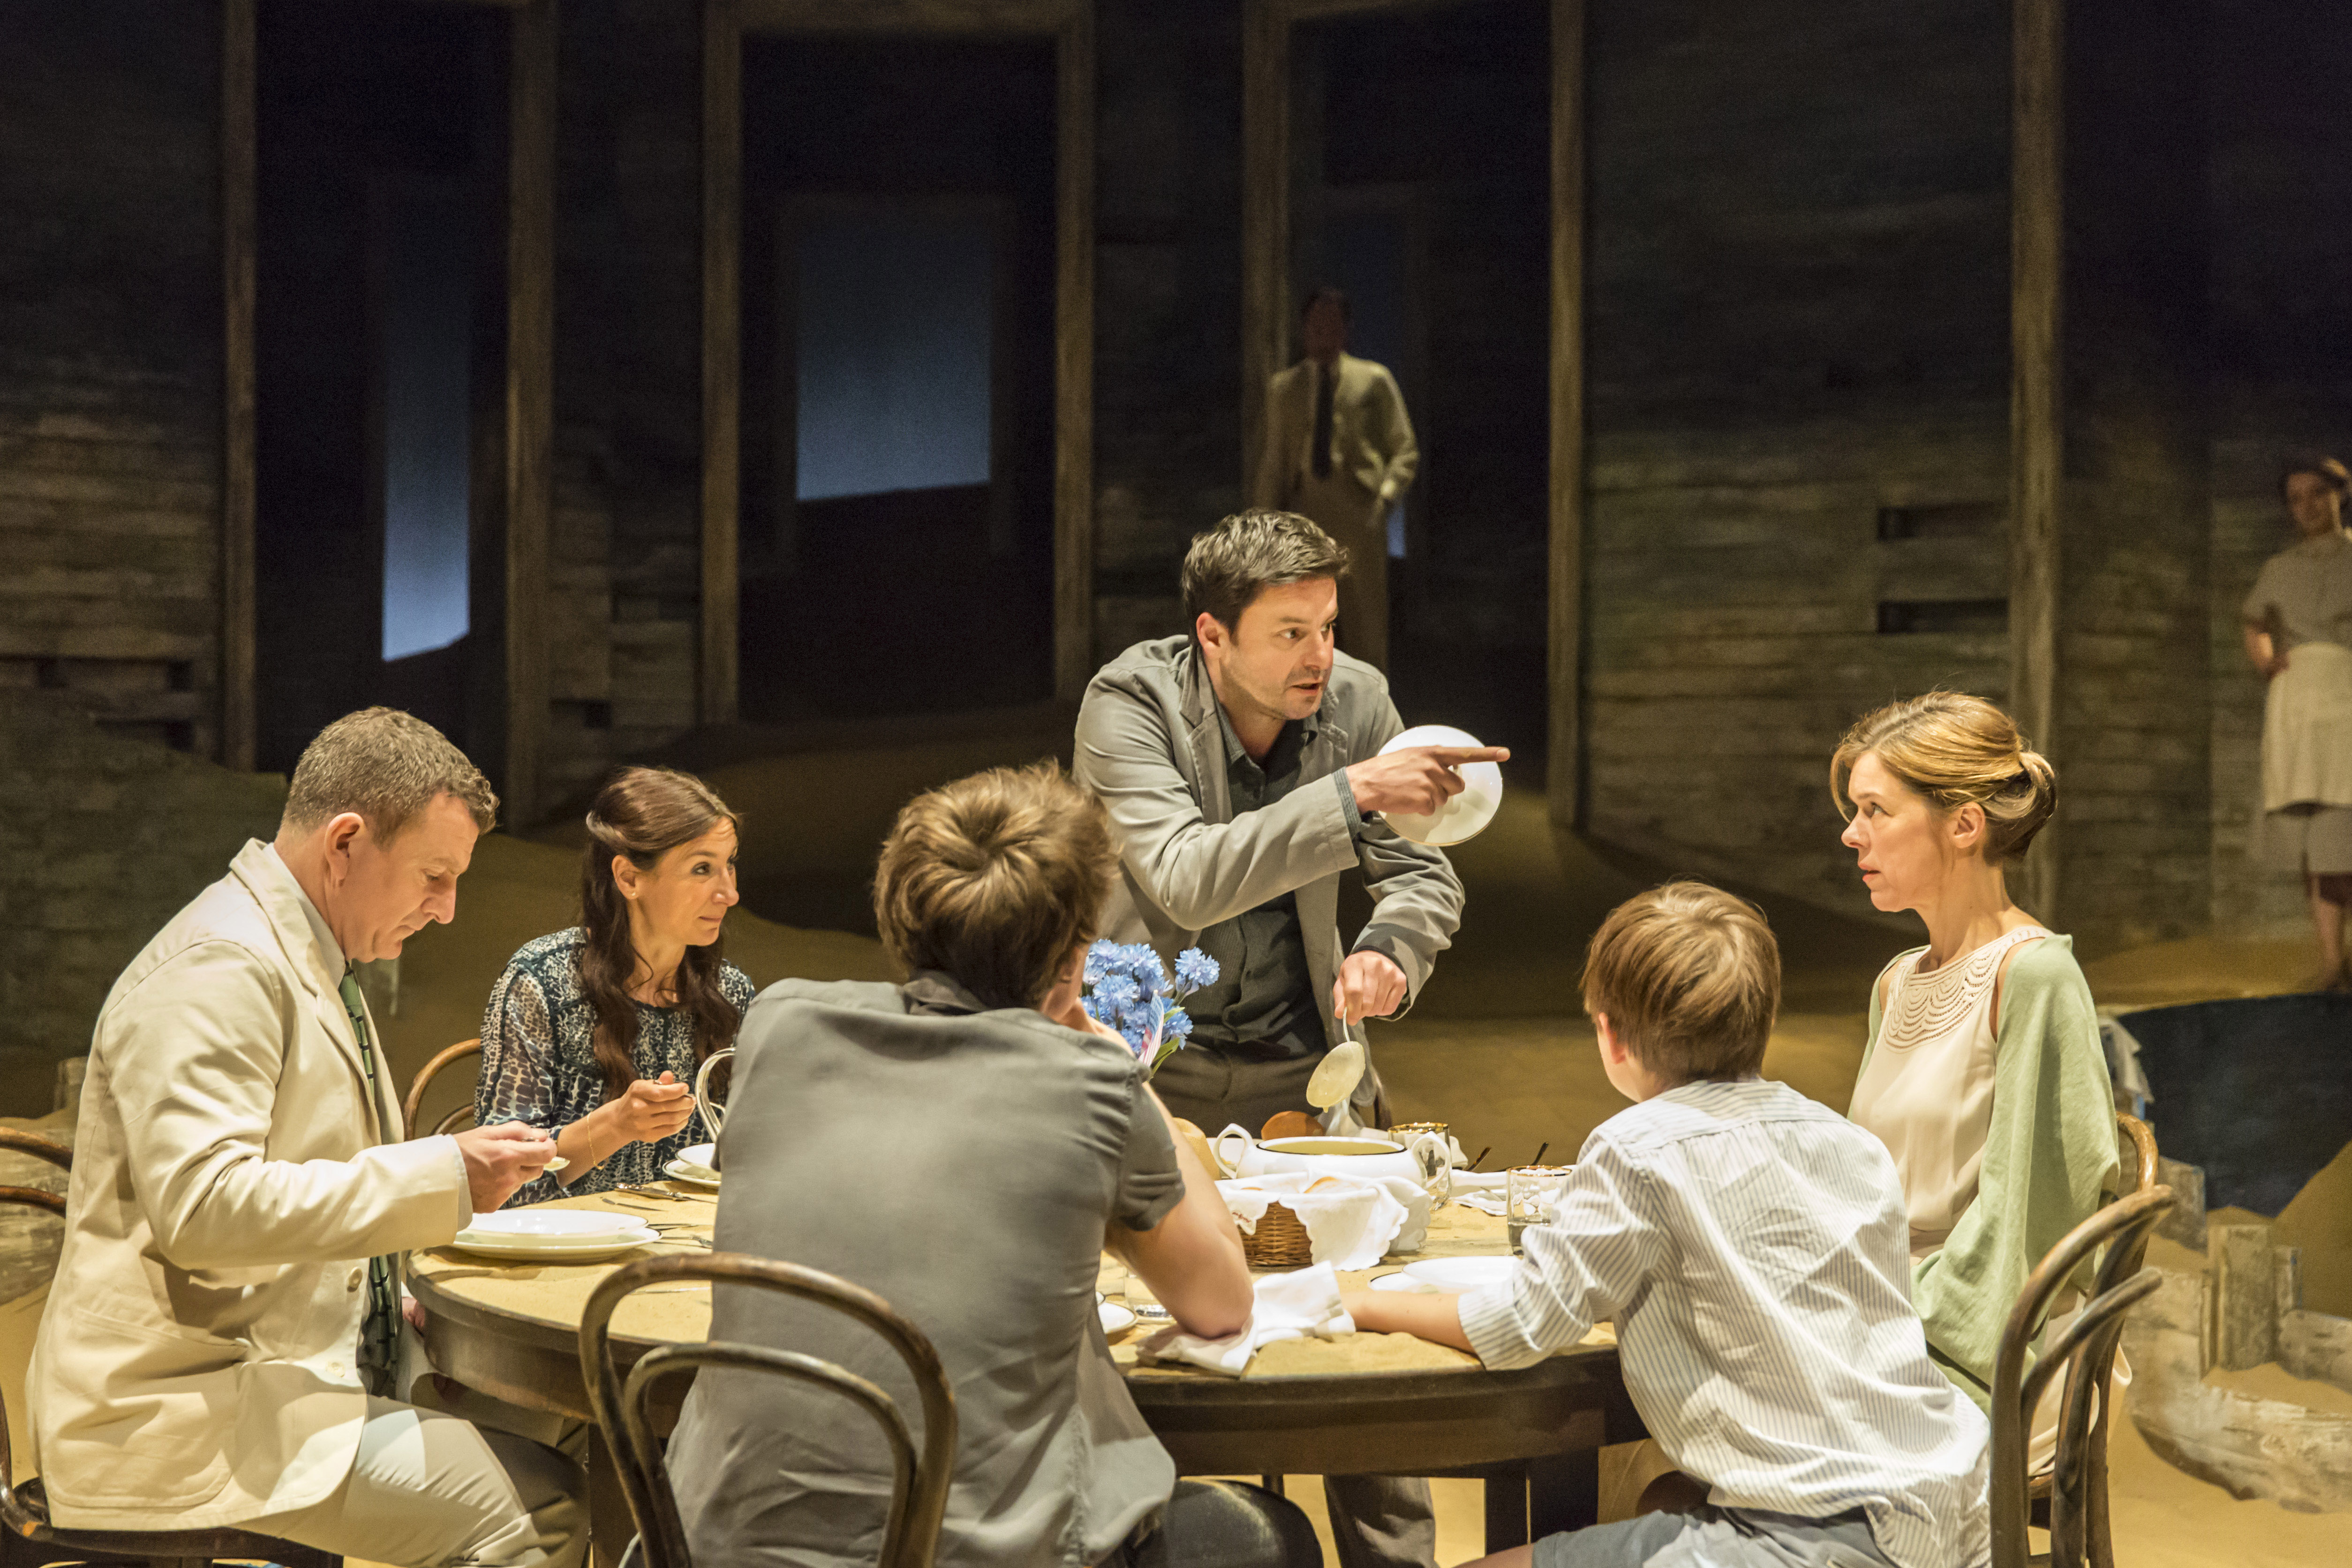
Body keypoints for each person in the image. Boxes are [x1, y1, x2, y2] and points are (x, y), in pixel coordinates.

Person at [664, 762, 1318, 1568]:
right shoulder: (1086, 1081)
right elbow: (1221, 1303)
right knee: (1268, 1536)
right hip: (966, 1551)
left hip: (712, 1546)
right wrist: (1129, 1077)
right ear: (1074, 956)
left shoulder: (780, 1023)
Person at [29, 708, 581, 1568]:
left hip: (261, 1372)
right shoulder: (222, 962)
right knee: (531, 1510)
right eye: (435, 875)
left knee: (558, 1431)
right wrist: (444, 1173)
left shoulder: (302, 954)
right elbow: (206, 1210)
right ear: (346, 843)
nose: (446, 909)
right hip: (173, 1408)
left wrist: (379, 1296)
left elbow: (290, 1190)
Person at [1076, 508, 1499, 1568]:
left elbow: (1420, 867)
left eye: (1327, 626)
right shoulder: (1129, 701)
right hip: (1149, 1071)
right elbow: (1181, 871)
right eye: (1289, 633)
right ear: (1212, 637)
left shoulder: (1354, 698)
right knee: (1141, 1328)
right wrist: (1351, 790)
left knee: (1366, 1330)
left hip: (1297, 1065)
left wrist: (1391, 953)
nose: (1320, 657)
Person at [1344, 882, 1992, 1568]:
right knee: (1665, 1498)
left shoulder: (1637, 1149)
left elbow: (1523, 1324)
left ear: (1610, 1035)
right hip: (1951, 1504)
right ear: (1764, 1019)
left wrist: (1368, 1302)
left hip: (1818, 1537)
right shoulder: (1848, 1142)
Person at [1834, 694, 2119, 1463]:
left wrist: (1885, 1315)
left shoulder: (2035, 975)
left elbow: (2032, 1218)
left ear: (1963, 824)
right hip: (1891, 1311)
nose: (1850, 832)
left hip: (1994, 1349)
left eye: (1874, 809)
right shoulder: (1896, 981)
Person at [476, 766, 754, 1205]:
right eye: (702, 869)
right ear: (629, 878)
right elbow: (498, 1184)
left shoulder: (730, 993)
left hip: (686, 1248)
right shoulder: (543, 982)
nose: (729, 893)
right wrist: (615, 1126)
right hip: (561, 1253)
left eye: (730, 865)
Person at [1251, 286, 1419, 670]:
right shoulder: (1285, 388)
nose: (1321, 331)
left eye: (1330, 323)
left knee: (1365, 624)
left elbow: (1405, 447)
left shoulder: (1373, 380)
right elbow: (1275, 460)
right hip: (1306, 513)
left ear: (1346, 330)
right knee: (1302, 618)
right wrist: (1262, 523)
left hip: (1359, 513)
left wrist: (1384, 499)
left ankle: (1374, 711)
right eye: (1314, 323)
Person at [2242, 453, 2352, 988]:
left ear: (2340, 493)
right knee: (2315, 836)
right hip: (2300, 707)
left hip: (2348, 695)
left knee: (2345, 830)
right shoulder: (2280, 568)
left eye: (2317, 493)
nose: (2307, 506)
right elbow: (2253, 622)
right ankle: (2332, 959)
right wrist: (2267, 662)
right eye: (2296, 498)